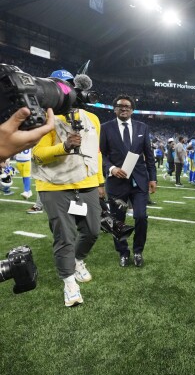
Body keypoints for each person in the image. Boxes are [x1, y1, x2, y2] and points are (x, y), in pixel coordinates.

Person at [31, 69, 104, 307]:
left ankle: (78, 260)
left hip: (87, 184)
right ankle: (69, 282)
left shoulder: (92, 118)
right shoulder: (44, 117)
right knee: (65, 236)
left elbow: (96, 153)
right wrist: (64, 147)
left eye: (72, 85)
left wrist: (100, 182)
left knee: (93, 231)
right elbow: (38, 155)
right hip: (54, 186)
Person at [99, 94, 157, 268]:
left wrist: (152, 177)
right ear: (114, 108)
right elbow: (100, 154)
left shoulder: (142, 127)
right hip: (116, 182)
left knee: (141, 216)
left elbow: (149, 154)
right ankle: (123, 252)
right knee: (118, 220)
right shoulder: (105, 128)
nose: (124, 108)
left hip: (139, 180)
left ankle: (138, 250)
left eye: (127, 106)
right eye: (120, 106)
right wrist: (111, 168)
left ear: (132, 109)